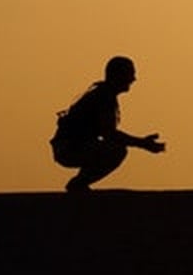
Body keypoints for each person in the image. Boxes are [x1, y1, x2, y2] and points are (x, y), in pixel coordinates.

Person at [50, 56, 166, 192]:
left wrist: (142, 143)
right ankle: (79, 184)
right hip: (69, 148)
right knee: (116, 151)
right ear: (119, 75)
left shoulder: (104, 95)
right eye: (131, 74)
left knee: (113, 149)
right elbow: (109, 134)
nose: (133, 79)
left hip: (71, 146)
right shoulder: (103, 97)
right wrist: (142, 143)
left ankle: (80, 183)